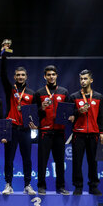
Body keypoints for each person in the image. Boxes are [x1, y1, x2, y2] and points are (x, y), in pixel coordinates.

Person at [0, 43, 36, 195]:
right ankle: (8, 184)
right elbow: (2, 74)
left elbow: (34, 112)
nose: (20, 77)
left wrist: (35, 124)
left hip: (26, 130)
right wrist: (3, 56)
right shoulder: (11, 89)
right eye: (18, 75)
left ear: (26, 77)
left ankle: (28, 184)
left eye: (23, 75)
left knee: (27, 159)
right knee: (9, 158)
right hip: (11, 128)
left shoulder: (32, 93)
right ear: (14, 77)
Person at [34, 65, 70, 195]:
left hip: (59, 132)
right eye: (48, 75)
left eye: (53, 74)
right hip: (45, 132)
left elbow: (68, 111)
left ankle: (60, 187)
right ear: (45, 76)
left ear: (56, 76)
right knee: (42, 161)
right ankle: (41, 186)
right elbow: (35, 113)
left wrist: (70, 116)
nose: (51, 77)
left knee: (60, 162)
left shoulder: (64, 92)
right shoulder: (39, 93)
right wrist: (41, 108)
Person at [69, 69, 103, 196]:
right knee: (77, 162)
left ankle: (93, 186)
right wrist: (79, 111)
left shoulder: (98, 97)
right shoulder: (74, 97)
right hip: (79, 134)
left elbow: (101, 117)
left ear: (91, 80)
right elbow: (69, 116)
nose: (83, 81)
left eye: (85, 79)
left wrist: (102, 132)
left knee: (93, 162)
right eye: (81, 79)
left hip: (94, 134)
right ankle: (78, 186)